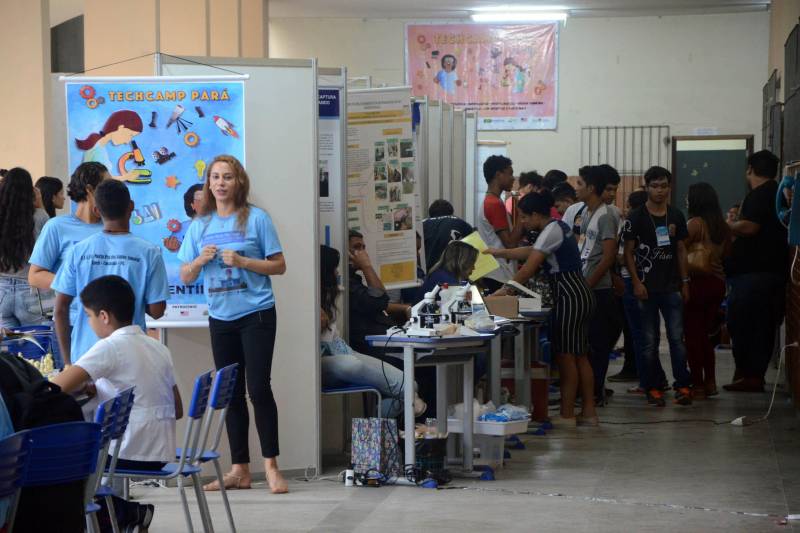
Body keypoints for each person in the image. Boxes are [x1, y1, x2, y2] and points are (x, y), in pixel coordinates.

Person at [177, 154, 289, 494]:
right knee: (231, 394)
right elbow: (185, 273)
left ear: (238, 182)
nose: (221, 183)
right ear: (208, 184)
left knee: (258, 388)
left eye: (227, 177)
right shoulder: (199, 226)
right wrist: (199, 260)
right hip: (220, 318)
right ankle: (240, 469)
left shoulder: (256, 219)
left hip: (256, 314)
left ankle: (271, 465)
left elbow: (279, 266)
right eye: (215, 177)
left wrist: (243, 261)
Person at [52, 275, 182, 531]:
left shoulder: (110, 347)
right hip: (161, 448)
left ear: (103, 316)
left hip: (130, 452)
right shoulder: (156, 346)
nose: (88, 323)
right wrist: (100, 389)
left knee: (60, 467)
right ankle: (123, 514)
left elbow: (55, 388)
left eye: (88, 316)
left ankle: (126, 512)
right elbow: (177, 409)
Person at [486, 191, 597, 427]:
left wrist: (502, 292)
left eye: (525, 217)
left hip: (569, 296)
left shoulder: (551, 231)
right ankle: (588, 412)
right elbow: (532, 251)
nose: (523, 223)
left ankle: (567, 415)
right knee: (579, 356)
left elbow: (529, 267)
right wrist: (501, 253)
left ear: (536, 215)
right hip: (579, 293)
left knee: (567, 357)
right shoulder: (557, 227)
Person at [51, 179, 169, 364]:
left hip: (85, 357)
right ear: (131, 207)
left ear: (97, 210)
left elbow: (60, 309)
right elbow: (157, 311)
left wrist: (67, 363)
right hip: (130, 355)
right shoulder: (149, 252)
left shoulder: (79, 251)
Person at [320, 245, 426, 417]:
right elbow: (378, 301)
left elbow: (380, 300)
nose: (338, 273)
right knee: (351, 364)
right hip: (321, 360)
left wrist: (367, 267)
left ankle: (375, 421)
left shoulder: (337, 291)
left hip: (341, 349)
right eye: (334, 269)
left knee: (410, 385)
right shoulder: (309, 296)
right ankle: (409, 403)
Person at [623, 166, 693, 407]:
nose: (659, 190)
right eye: (654, 186)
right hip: (645, 288)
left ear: (669, 187)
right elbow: (628, 253)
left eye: (664, 186)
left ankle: (683, 384)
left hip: (671, 286)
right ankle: (653, 387)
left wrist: (685, 282)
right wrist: (636, 282)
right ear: (647, 187)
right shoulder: (636, 217)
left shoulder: (675, 215)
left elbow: (681, 249)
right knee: (649, 341)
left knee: (677, 338)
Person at [724, 150, 787, 392]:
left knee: (746, 324)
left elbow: (750, 227)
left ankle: (751, 375)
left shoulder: (761, 194)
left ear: (750, 169)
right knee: (759, 325)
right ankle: (751, 374)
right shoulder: (777, 192)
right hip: (766, 274)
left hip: (754, 277)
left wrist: (727, 226)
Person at [614, 190, 666, 392]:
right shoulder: (657, 225)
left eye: (628, 205)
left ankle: (648, 382)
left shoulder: (632, 226)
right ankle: (657, 377)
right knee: (650, 334)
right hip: (651, 283)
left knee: (640, 335)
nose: (625, 210)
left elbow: (621, 257)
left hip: (632, 281)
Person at [578, 166, 622, 406]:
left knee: (599, 342)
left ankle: (596, 391)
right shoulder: (586, 213)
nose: (577, 188)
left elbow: (607, 256)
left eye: (580, 184)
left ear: (591, 188)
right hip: (586, 283)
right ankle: (589, 390)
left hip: (598, 289)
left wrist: (587, 285)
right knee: (588, 343)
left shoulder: (606, 215)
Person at [28, 162, 107, 293]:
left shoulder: (112, 227)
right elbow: (35, 276)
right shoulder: (57, 226)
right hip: (70, 312)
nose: (111, 192)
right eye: (106, 187)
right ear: (90, 190)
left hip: (109, 311)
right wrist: (79, 285)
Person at [685, 182, 731, 398]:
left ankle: (698, 384)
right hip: (717, 283)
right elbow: (726, 255)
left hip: (697, 283)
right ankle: (710, 382)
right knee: (704, 336)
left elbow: (678, 250)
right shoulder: (722, 226)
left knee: (693, 336)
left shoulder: (695, 224)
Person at [0, 168, 51, 329]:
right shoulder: (40, 217)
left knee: (7, 351)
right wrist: (41, 205)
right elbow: (49, 251)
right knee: (38, 347)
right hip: (31, 292)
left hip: (2, 291)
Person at [348, 230, 410, 357]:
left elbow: (382, 299)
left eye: (363, 248)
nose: (363, 253)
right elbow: (379, 300)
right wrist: (366, 266)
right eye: (356, 248)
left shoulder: (354, 279)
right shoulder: (348, 282)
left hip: (386, 341)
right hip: (375, 348)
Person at [477, 155, 523, 292]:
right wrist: (522, 214)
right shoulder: (494, 203)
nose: (513, 178)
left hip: (495, 272)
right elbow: (510, 244)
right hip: (500, 274)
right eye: (510, 173)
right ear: (498, 174)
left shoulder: (492, 201)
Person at [75, 109, 144, 182]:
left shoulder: (97, 144)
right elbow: (102, 180)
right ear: (121, 128)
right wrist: (126, 177)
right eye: (130, 135)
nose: (127, 141)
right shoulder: (98, 150)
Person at [423, 199, 474, 271]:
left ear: (430, 214)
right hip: (452, 270)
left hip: (426, 271)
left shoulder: (422, 224)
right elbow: (474, 247)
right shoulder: (460, 223)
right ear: (451, 212)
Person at [164, 183, 204, 252]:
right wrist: (173, 246)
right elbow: (176, 245)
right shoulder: (183, 228)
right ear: (192, 205)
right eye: (200, 201)